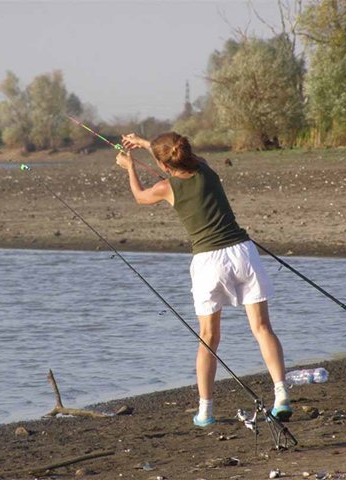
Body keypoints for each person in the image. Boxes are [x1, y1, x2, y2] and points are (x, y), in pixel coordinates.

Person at [116, 132, 292, 426]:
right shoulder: (206, 168)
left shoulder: (165, 188)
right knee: (262, 327)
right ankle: (282, 395)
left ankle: (206, 411)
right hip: (242, 252)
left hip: (209, 262)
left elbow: (139, 196)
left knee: (208, 338)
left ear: (165, 164)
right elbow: (175, 161)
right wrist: (148, 145)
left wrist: (129, 166)